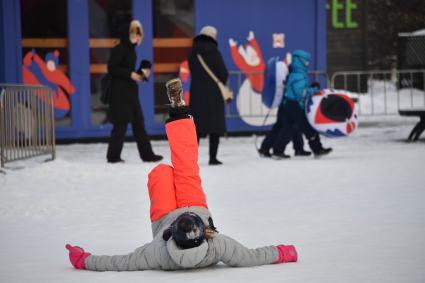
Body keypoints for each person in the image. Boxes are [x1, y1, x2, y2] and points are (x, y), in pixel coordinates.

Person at [65, 78, 298, 271]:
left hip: (165, 215)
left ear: (172, 236)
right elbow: (250, 256)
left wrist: (84, 260)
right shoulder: (215, 245)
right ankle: (178, 111)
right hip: (194, 205)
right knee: (185, 165)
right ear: (204, 233)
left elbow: (121, 262)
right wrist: (283, 252)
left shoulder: (159, 252)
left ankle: (178, 115)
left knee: (162, 172)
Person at [106, 20, 162, 163]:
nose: (138, 38)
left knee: (139, 123)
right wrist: (131, 74)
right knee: (120, 125)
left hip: (130, 91)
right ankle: (113, 157)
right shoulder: (120, 48)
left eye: (139, 35)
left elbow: (126, 70)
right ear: (129, 34)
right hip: (119, 93)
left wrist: (141, 75)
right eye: (135, 34)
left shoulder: (131, 49)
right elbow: (112, 68)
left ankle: (147, 155)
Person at [266, 50, 332, 158]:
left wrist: (310, 88)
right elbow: (301, 94)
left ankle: (277, 151)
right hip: (295, 105)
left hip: (288, 103)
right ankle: (318, 149)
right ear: (300, 61)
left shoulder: (294, 73)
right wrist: (314, 90)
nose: (307, 63)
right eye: (306, 61)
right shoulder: (299, 75)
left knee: (287, 129)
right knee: (308, 127)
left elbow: (298, 90)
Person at [188, 25, 229, 165]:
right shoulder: (214, 52)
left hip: (197, 94)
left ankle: (192, 160)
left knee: (196, 129)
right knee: (215, 126)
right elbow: (223, 73)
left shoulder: (192, 53)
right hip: (213, 94)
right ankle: (213, 158)